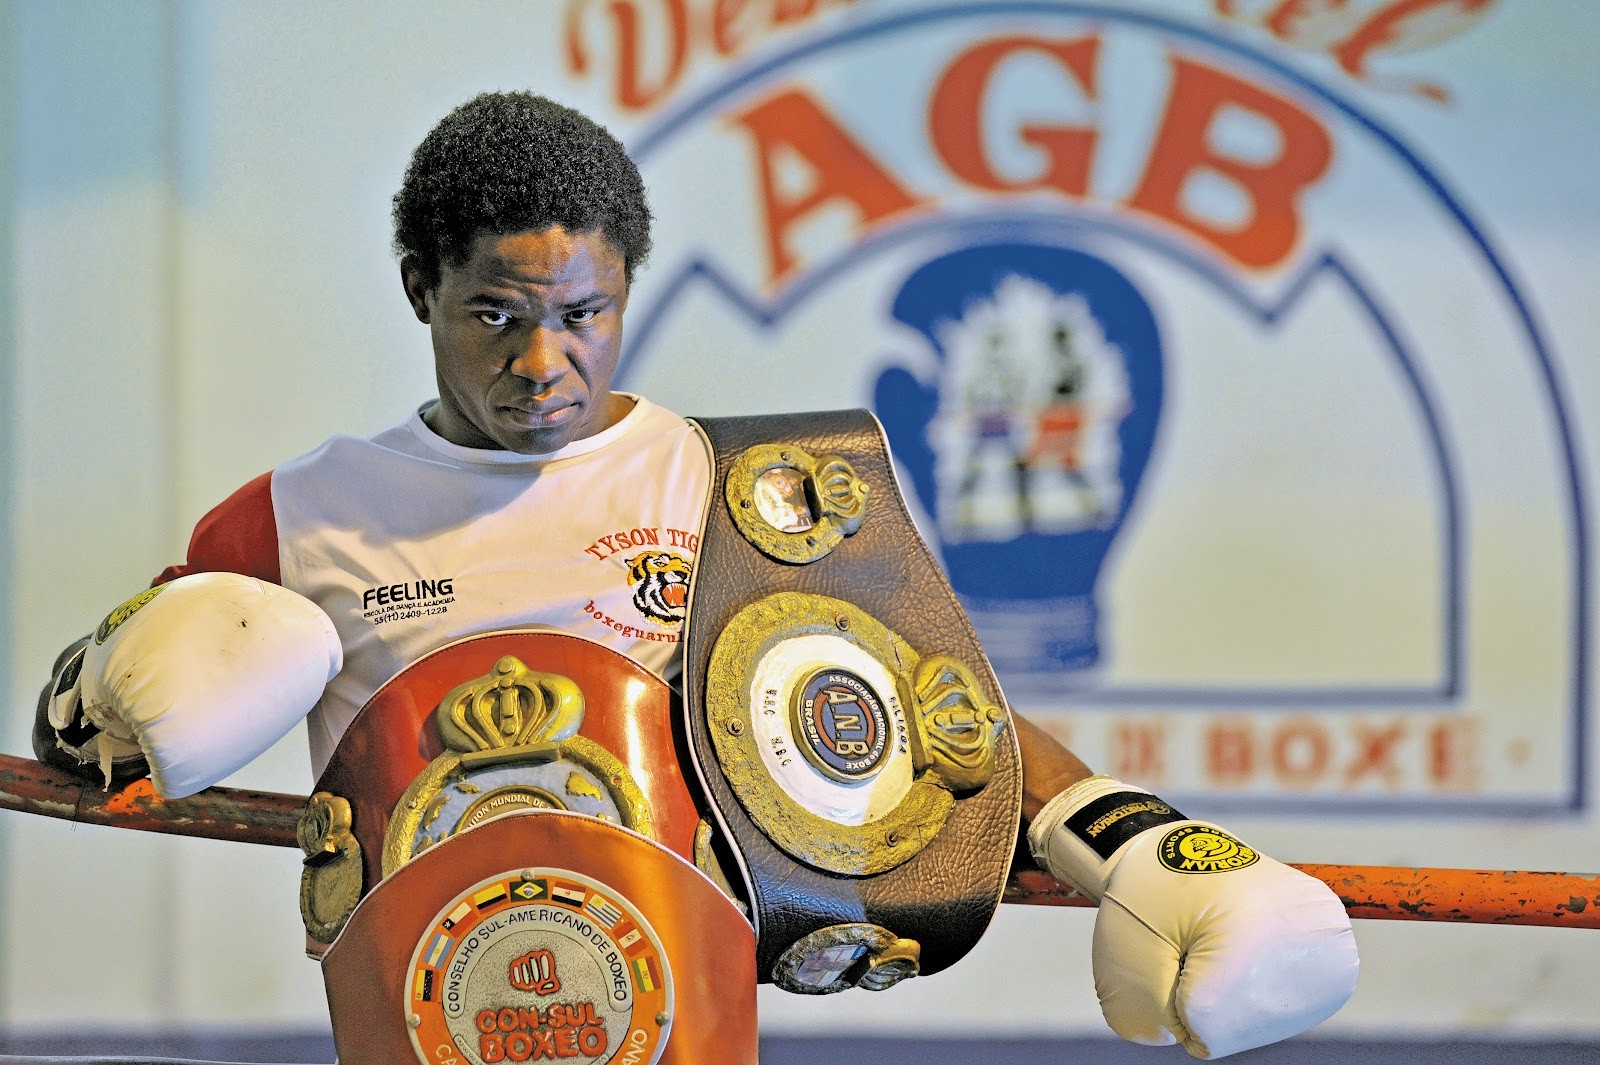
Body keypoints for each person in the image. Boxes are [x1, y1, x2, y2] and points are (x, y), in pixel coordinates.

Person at [33, 91, 1357, 1061]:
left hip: (684, 1020)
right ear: (418, 286)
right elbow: (86, 737)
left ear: (624, 293)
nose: (543, 361)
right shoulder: (300, 513)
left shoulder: (740, 492)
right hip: (414, 1020)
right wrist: (112, 692)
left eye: (583, 314)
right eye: (495, 312)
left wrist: (1165, 850)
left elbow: (938, 726)